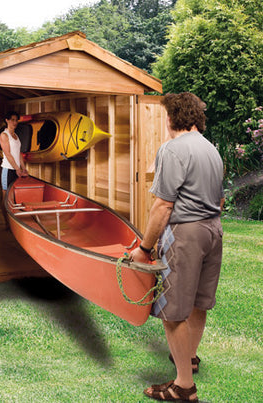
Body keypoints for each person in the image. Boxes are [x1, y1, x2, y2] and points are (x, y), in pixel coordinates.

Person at [130, 92, 225, 402]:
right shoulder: (211, 149)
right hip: (213, 230)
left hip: (187, 233)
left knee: (173, 313)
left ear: (171, 118)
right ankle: (190, 358)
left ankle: (183, 386)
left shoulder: (172, 149)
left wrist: (144, 248)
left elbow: (163, 206)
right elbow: (220, 200)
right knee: (198, 302)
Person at [0, 111, 28, 226]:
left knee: (15, 197)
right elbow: (8, 154)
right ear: (7, 120)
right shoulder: (4, 135)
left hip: (17, 170)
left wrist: (23, 168)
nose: (15, 122)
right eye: (12, 120)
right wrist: (17, 169)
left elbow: (18, 154)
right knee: (6, 198)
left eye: (16, 120)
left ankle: (14, 223)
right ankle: (7, 224)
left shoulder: (16, 136)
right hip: (8, 170)